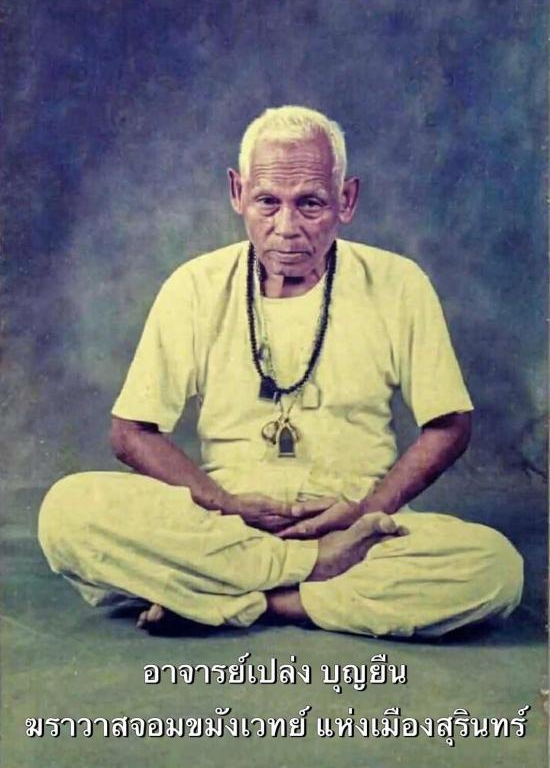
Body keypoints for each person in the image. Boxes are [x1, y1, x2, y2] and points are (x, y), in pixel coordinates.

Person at [38, 105, 523, 638]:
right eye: (268, 202)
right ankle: (305, 576)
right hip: (223, 529)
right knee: (66, 512)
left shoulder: (398, 284)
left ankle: (243, 599)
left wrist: (367, 510)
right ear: (238, 192)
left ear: (346, 200)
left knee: (495, 569)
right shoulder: (194, 286)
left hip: (356, 533)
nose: (286, 228)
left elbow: (450, 424)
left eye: (310, 203)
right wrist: (225, 505)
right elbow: (130, 433)